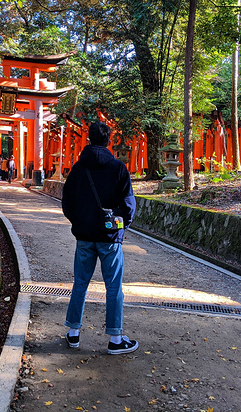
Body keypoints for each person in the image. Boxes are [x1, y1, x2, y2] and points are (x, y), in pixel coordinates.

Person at [61, 121, 138, 355]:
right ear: (108, 141)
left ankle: (73, 333)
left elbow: (67, 203)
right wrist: (120, 226)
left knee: (80, 283)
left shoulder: (78, 168)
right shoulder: (118, 168)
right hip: (110, 237)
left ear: (89, 140)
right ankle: (115, 338)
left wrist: (79, 222)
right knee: (114, 287)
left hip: (84, 236)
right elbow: (128, 204)